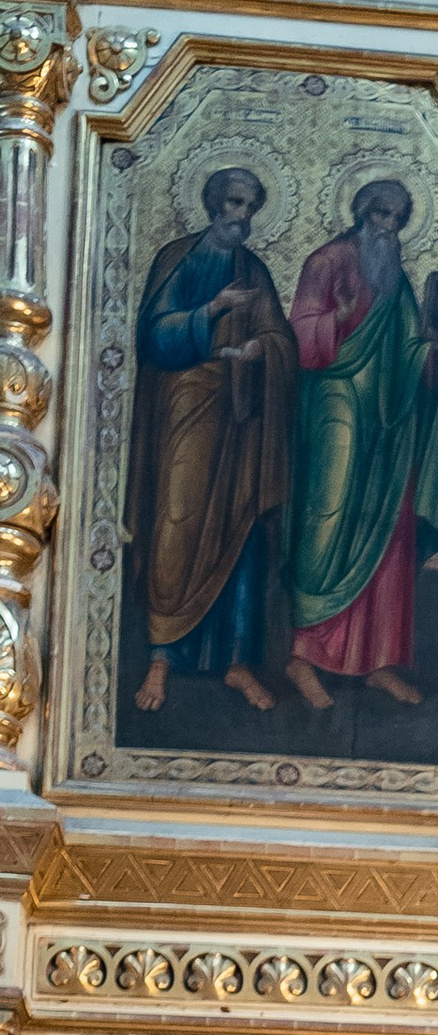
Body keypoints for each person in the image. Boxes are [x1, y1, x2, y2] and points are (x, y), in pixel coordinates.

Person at [283, 180, 438, 712]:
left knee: (389, 533)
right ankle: (303, 656)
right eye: (380, 214)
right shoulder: (327, 261)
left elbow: (411, 348)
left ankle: (379, 662)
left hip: (389, 421)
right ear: (361, 213)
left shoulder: (397, 279)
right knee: (328, 520)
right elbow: (301, 336)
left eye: (398, 218)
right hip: (336, 408)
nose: (388, 225)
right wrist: (334, 321)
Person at [129, 166, 297, 717]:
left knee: (243, 529)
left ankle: (238, 660)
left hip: (242, 415)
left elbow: (279, 337)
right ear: (212, 204)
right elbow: (154, 335)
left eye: (250, 207)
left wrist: (260, 352)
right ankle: (161, 654)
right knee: (177, 521)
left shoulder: (255, 270)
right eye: (233, 203)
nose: (241, 216)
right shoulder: (177, 257)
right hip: (185, 406)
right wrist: (213, 312)